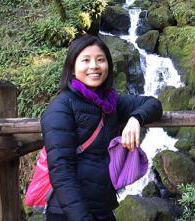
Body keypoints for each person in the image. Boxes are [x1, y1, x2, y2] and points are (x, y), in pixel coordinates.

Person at [41, 34, 163, 221]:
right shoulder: (61, 107)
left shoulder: (110, 103)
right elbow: (61, 171)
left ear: (108, 65)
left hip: (103, 207)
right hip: (68, 213)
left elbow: (153, 103)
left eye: (100, 60)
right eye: (86, 60)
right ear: (72, 68)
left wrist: (135, 119)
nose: (94, 66)